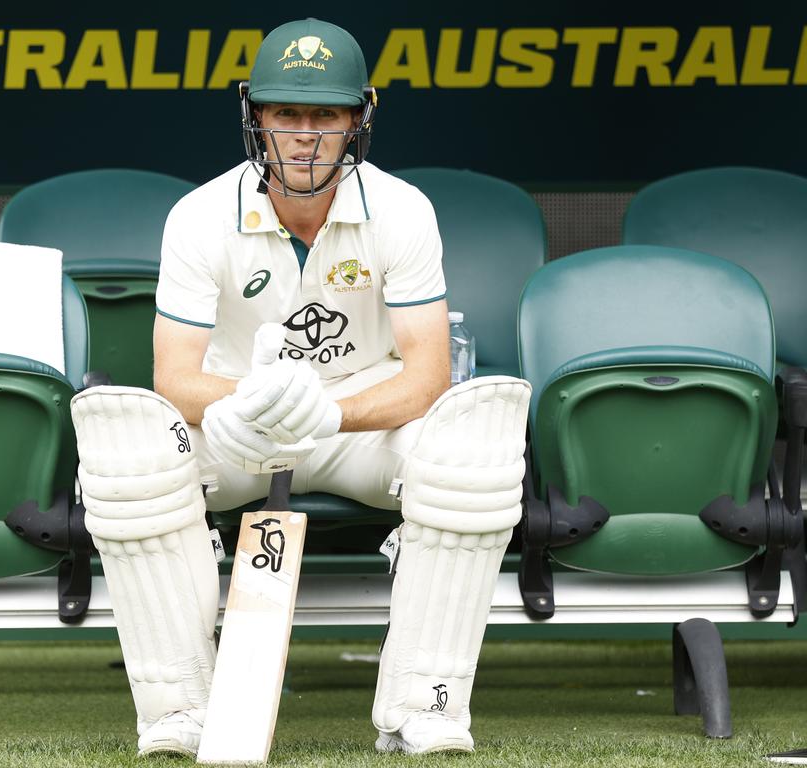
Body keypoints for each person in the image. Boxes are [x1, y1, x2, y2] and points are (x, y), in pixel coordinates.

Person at [70, 17, 530, 758]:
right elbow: (174, 377)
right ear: (256, 115)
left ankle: (427, 702)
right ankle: (179, 708)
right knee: (132, 455)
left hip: (361, 421)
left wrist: (332, 412)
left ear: (360, 117)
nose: (307, 135)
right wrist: (246, 407)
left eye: (327, 115)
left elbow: (428, 374)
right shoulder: (198, 217)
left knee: (471, 446)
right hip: (238, 420)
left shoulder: (404, 211)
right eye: (288, 114)